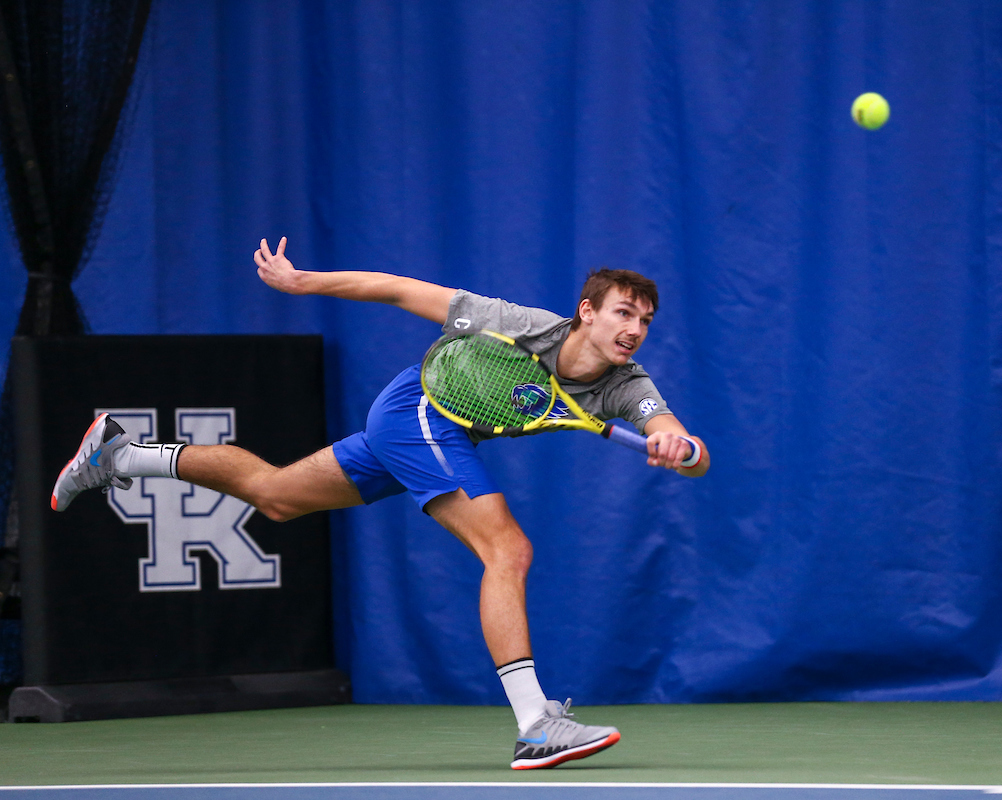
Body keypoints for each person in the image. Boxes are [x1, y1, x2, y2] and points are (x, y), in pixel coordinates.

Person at [51, 236, 710, 769]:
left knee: (275, 495)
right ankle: (536, 723)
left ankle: (121, 455)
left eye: (645, 321)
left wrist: (678, 445)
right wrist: (304, 282)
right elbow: (398, 288)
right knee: (506, 549)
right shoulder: (518, 326)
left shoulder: (625, 385)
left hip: (422, 434)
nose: (634, 329)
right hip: (418, 409)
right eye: (623, 313)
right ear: (587, 311)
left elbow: (684, 445)